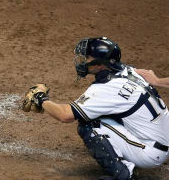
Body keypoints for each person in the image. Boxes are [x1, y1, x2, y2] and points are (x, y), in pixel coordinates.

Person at [23, 37, 169, 180]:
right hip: (162, 136)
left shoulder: (105, 89)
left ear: (100, 65)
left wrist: (41, 99)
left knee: (89, 124)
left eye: (87, 58)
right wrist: (156, 81)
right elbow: (143, 72)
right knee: (106, 113)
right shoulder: (127, 70)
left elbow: (65, 115)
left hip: (151, 153)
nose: (83, 61)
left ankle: (122, 173)